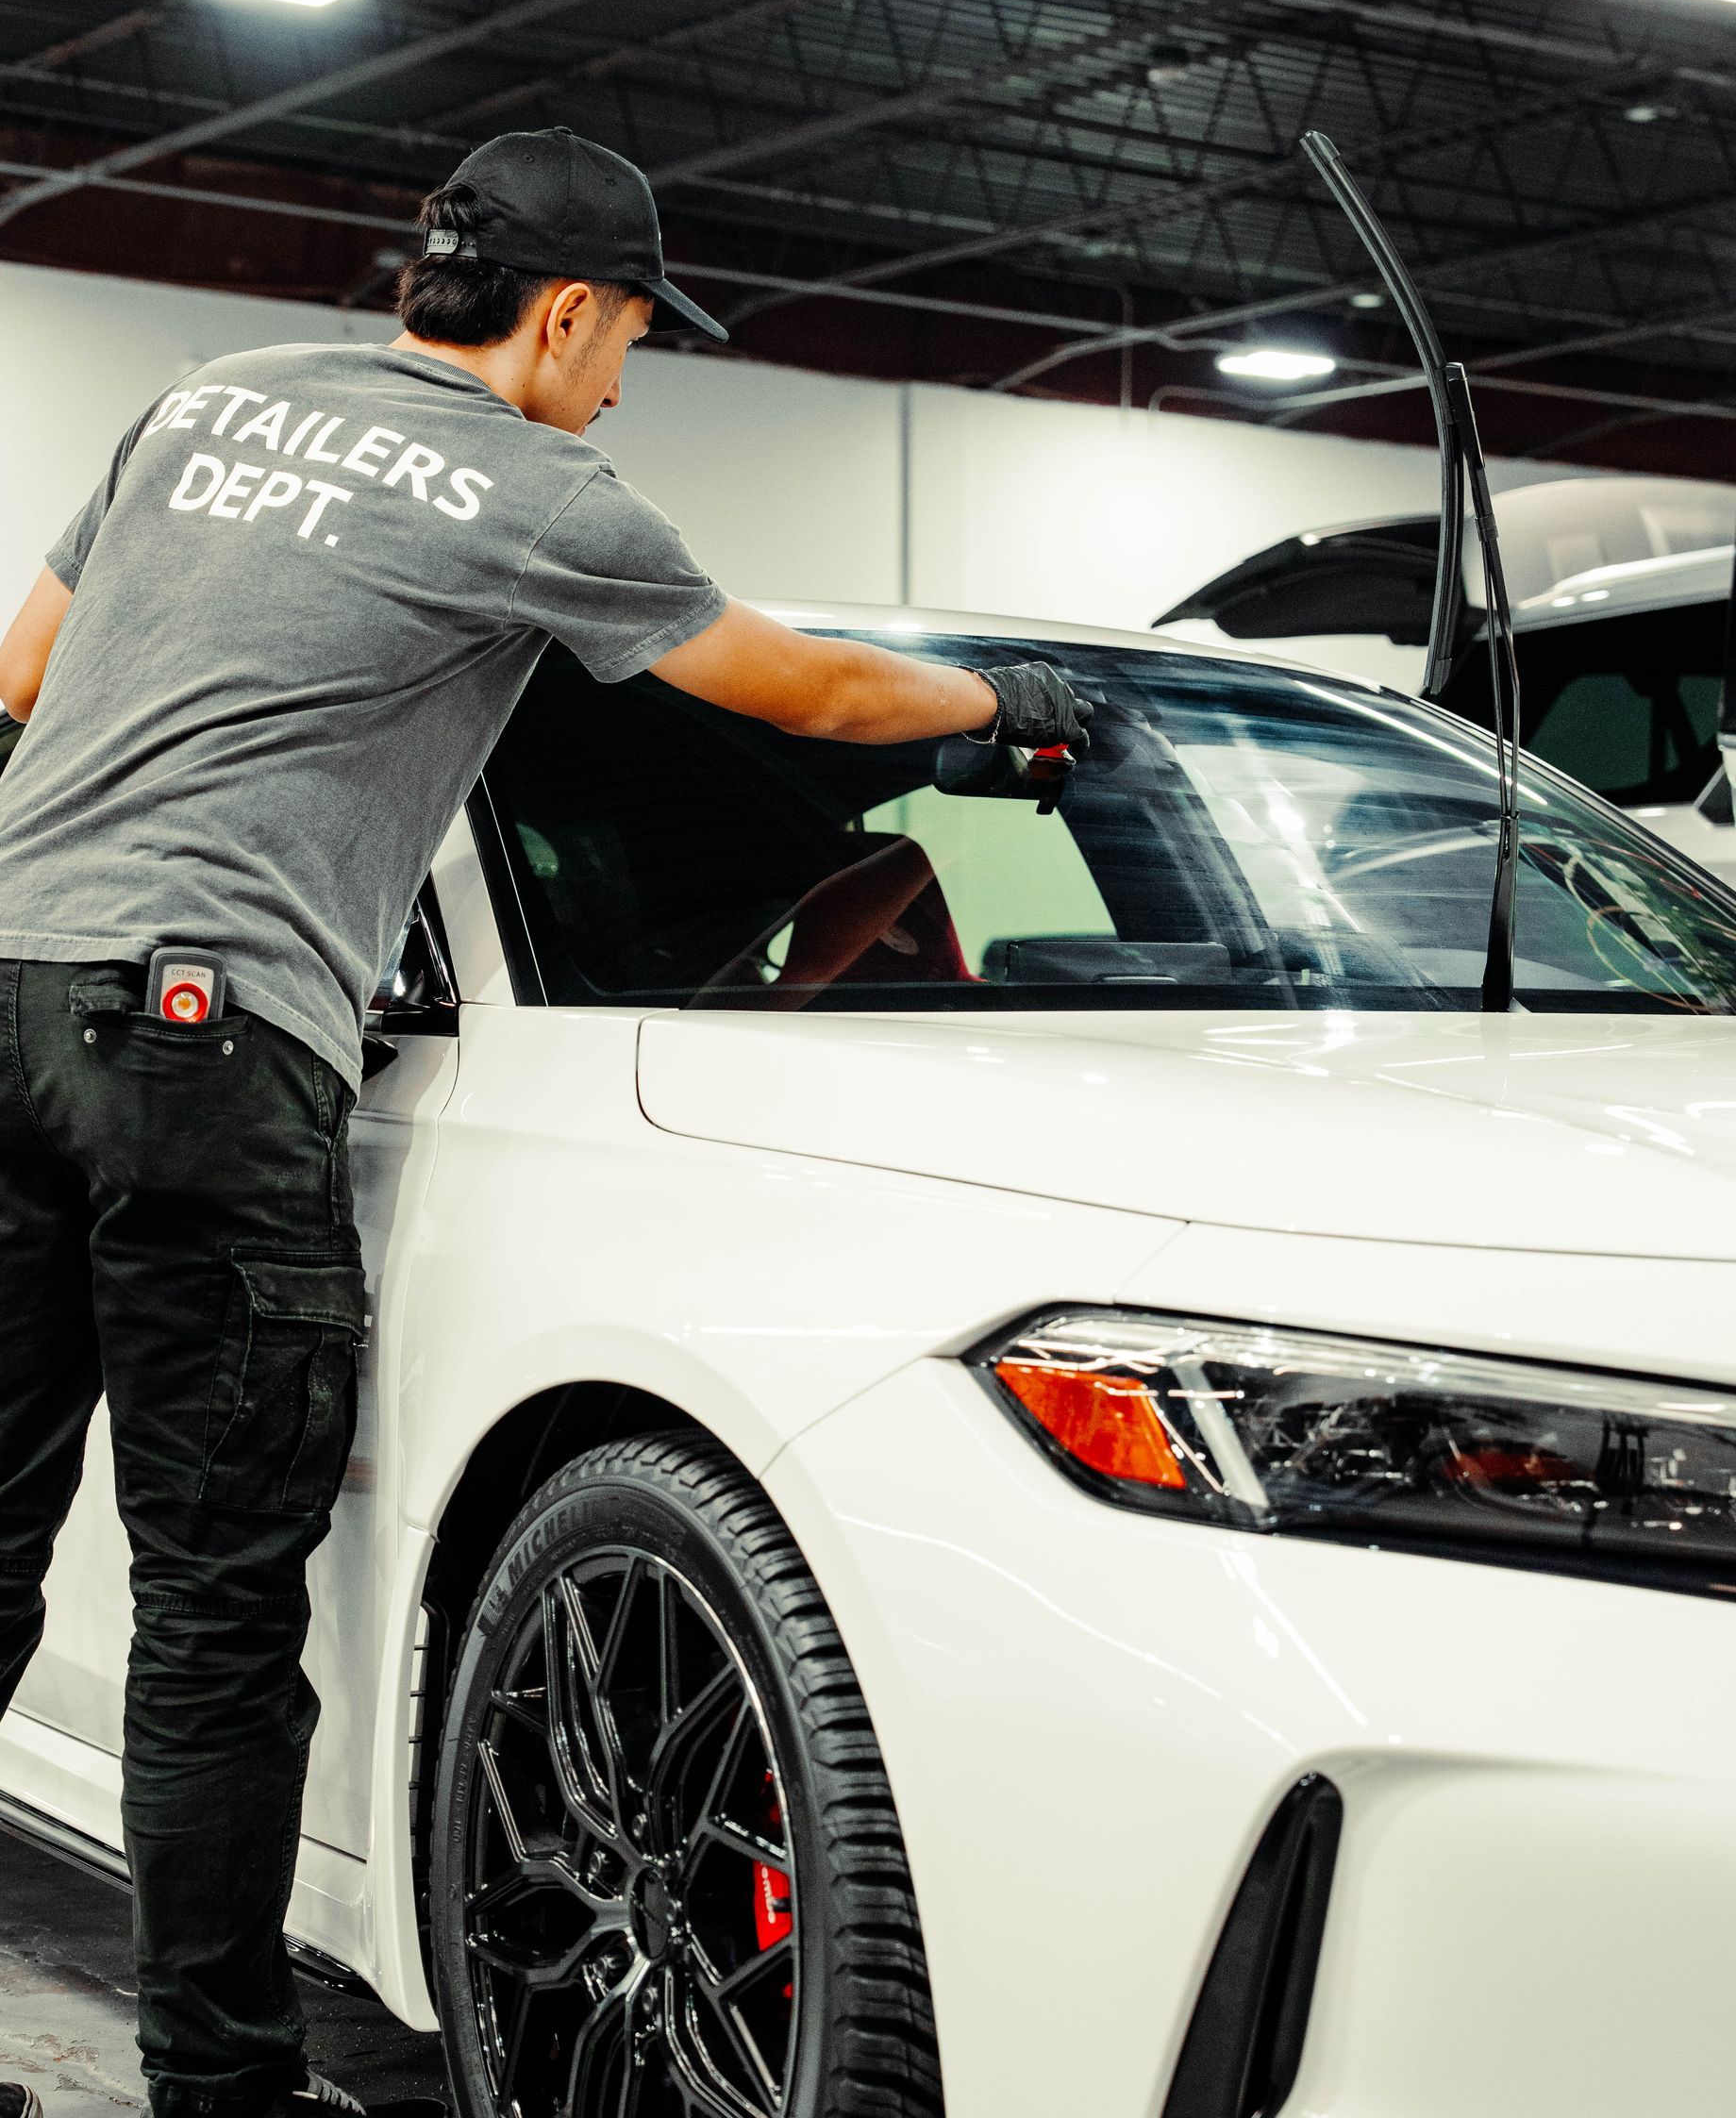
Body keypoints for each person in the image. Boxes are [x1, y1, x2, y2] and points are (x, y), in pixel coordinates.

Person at [0, 127, 1090, 2118]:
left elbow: (26, 671)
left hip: (1, 987)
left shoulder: (207, 400)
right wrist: (994, 709)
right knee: (221, 1610)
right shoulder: (535, 488)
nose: (622, 382)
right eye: (632, 344)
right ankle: (224, 2093)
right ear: (568, 310)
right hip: (209, 1041)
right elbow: (810, 691)